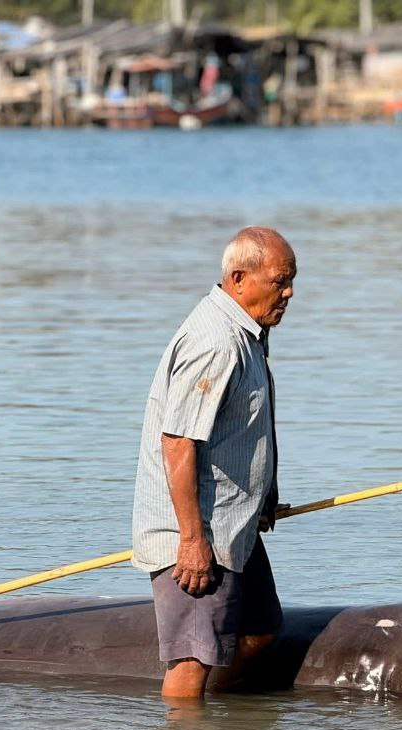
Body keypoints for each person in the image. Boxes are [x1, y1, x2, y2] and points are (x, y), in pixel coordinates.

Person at [132, 226, 297, 699]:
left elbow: (237, 432)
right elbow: (178, 442)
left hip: (232, 525)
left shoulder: (248, 334)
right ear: (239, 278)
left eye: (292, 282)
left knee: (261, 630)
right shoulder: (216, 342)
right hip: (197, 531)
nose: (288, 293)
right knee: (193, 658)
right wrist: (190, 541)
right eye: (280, 281)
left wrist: (264, 498)